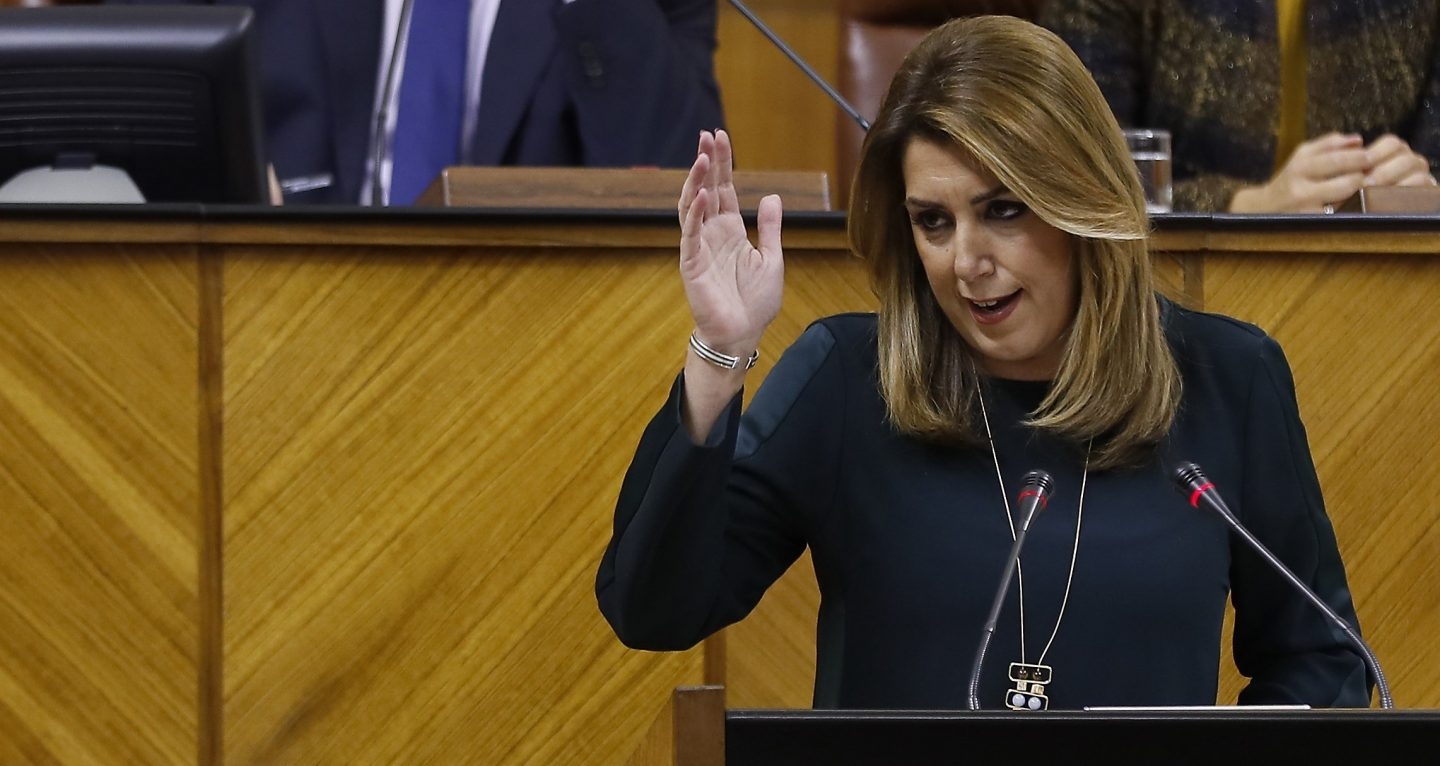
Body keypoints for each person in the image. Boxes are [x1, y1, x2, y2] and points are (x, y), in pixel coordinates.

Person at [595, 15, 1372, 710]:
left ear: (1083, 202)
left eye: (1003, 210)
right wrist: (720, 355)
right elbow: (653, 611)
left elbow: (1322, 659)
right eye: (933, 222)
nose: (967, 262)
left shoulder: (1228, 379)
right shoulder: (844, 379)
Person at [108, 0, 724, 205]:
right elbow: (129, 71)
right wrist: (228, 179)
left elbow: (678, 178)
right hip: (278, 316)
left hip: (535, 363)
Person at [1039, 0, 1439, 213]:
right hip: (1171, 291)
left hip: (1384, 287)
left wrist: (1415, 195)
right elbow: (1077, 177)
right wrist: (1248, 206)